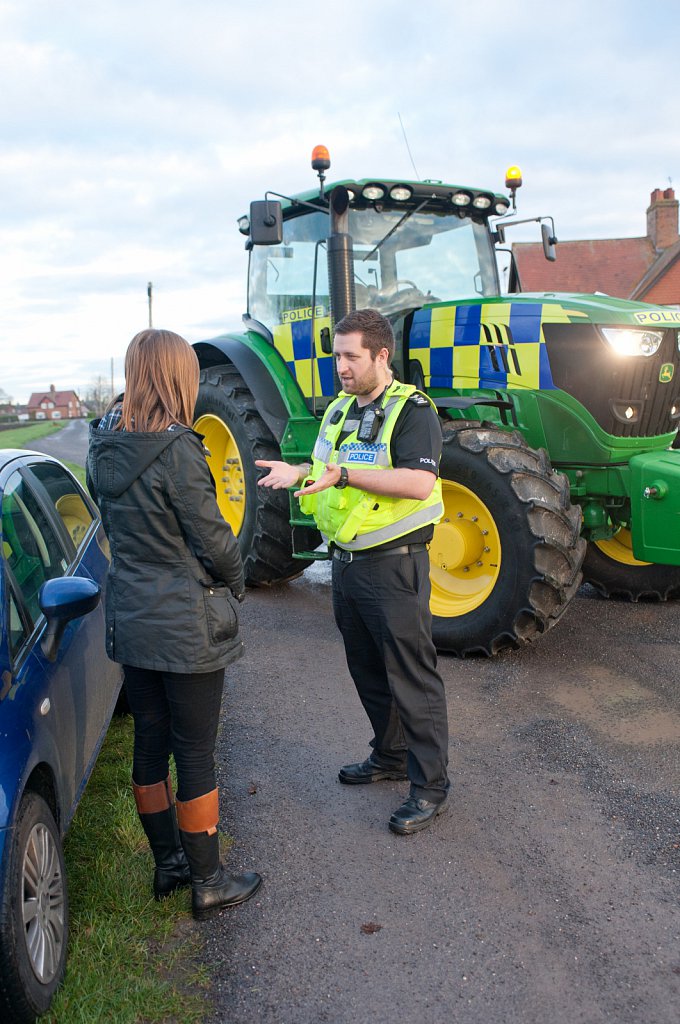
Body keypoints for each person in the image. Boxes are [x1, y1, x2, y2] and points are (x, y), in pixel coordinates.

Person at [87, 328, 262, 919]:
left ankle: (168, 865)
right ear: (175, 376)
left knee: (149, 740)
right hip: (185, 623)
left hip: (133, 619)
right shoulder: (178, 449)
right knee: (194, 751)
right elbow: (213, 537)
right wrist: (236, 580)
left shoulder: (102, 444)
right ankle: (208, 881)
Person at [256, 308, 451, 835]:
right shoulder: (339, 410)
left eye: (350, 356)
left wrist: (345, 475)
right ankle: (389, 755)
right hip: (347, 565)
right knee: (367, 669)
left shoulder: (413, 411)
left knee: (413, 677)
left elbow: (416, 484)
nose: (340, 366)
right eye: (336, 356)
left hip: (395, 566)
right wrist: (297, 470)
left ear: (381, 355)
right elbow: (323, 469)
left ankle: (430, 786)